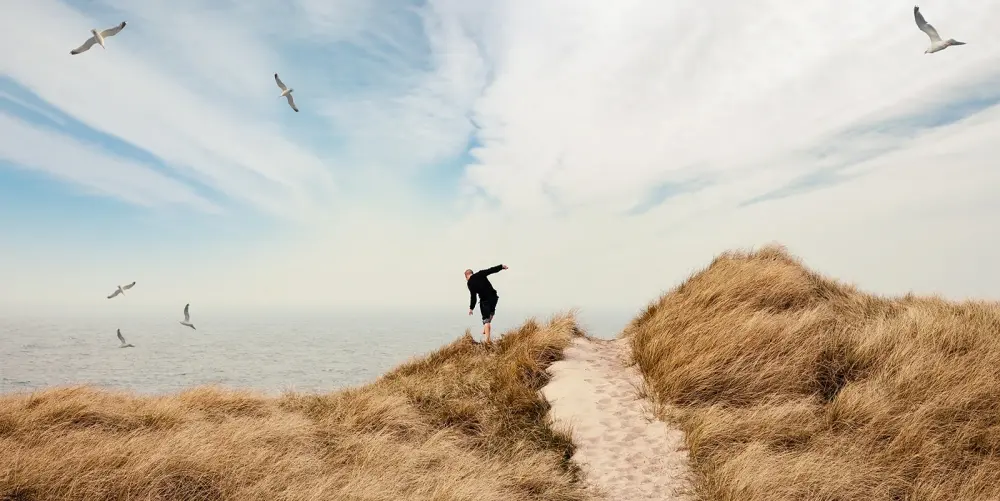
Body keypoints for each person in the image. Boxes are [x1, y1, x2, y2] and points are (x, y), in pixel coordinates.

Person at [465, 264, 508, 343]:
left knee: (486, 320)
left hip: (485, 300)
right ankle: (486, 329)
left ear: (466, 276)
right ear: (472, 273)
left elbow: (473, 297)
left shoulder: (470, 283)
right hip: (494, 297)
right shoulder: (480, 273)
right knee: (491, 312)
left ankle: (487, 340)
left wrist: (471, 308)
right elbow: (491, 270)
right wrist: (501, 267)